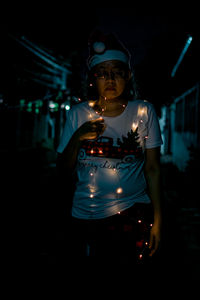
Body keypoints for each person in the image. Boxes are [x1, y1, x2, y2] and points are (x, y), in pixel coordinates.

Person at [56, 30, 163, 268]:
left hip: (131, 212)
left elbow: (153, 169)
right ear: (94, 78)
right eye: (103, 74)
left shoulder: (144, 112)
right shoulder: (78, 114)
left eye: (117, 72)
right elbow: (63, 169)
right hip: (85, 213)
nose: (111, 80)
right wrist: (78, 137)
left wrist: (158, 220)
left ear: (128, 75)